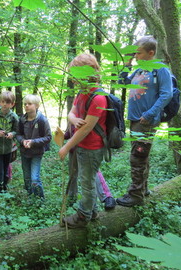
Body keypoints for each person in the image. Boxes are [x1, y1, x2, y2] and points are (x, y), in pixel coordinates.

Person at [117, 36, 173, 207]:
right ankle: (143, 189)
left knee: (137, 157)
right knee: (142, 156)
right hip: (134, 119)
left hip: (146, 121)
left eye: (138, 53)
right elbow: (122, 83)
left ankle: (135, 195)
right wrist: (126, 65)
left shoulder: (160, 69)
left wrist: (149, 114)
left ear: (151, 53)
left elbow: (167, 94)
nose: (136, 56)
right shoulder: (138, 71)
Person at [58, 53, 107, 229]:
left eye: (77, 74)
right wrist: (74, 120)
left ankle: (83, 216)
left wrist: (66, 147)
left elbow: (86, 130)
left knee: (87, 183)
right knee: (87, 180)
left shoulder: (99, 98)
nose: (74, 79)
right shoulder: (82, 93)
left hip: (92, 148)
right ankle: (92, 211)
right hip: (82, 146)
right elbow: (71, 113)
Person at [64, 124, 116, 210]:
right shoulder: (74, 114)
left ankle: (107, 197)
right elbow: (70, 132)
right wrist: (63, 135)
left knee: (94, 173)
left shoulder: (88, 113)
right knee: (73, 174)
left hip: (87, 149)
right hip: (74, 150)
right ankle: (71, 198)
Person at [16, 94, 51, 199]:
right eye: (25, 104)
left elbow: (48, 137)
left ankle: (40, 199)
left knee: (34, 178)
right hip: (24, 153)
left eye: (29, 104)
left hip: (37, 153)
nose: (26, 106)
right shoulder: (22, 120)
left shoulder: (42, 120)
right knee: (27, 178)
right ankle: (30, 197)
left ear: (36, 105)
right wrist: (22, 141)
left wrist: (33, 142)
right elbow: (18, 134)